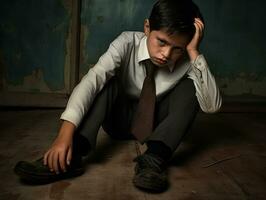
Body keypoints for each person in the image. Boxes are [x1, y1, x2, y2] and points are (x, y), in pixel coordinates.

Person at [14, 0, 222, 193]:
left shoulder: (188, 59)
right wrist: (64, 135)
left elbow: (212, 106)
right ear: (147, 28)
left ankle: (154, 159)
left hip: (159, 127)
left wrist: (194, 52)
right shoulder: (126, 43)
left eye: (177, 48)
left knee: (192, 86)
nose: (166, 54)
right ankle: (72, 154)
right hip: (118, 120)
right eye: (161, 42)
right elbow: (91, 82)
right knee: (106, 80)